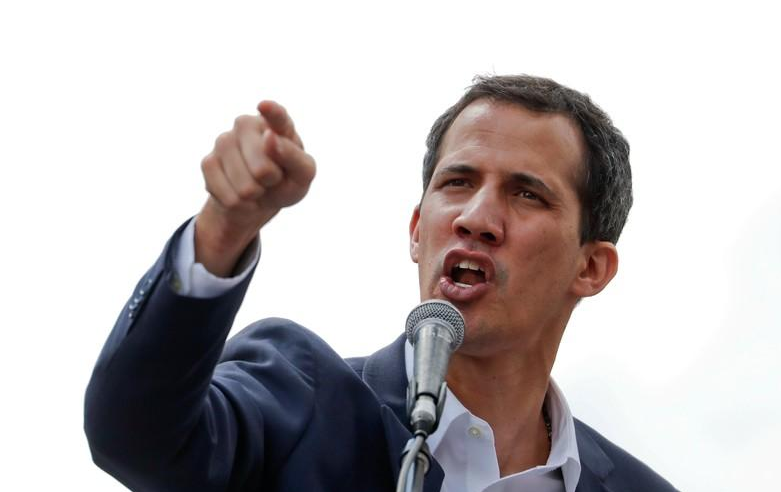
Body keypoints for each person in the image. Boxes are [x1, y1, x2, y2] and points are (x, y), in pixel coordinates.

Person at [85, 75, 678, 492]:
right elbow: (136, 435)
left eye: (527, 194)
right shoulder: (300, 398)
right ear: (418, 231)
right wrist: (223, 229)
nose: (475, 217)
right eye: (457, 182)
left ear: (590, 267)